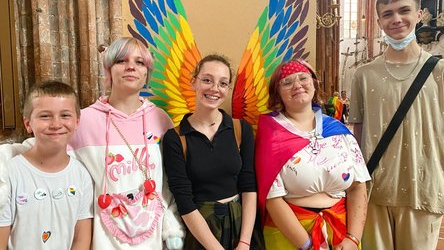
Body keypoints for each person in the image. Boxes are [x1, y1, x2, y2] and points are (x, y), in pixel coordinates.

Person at [0, 37, 185, 249]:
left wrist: (171, 225)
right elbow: (43, 149)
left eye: (139, 62)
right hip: (104, 239)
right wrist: (4, 158)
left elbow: (168, 182)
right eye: (121, 60)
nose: (131, 67)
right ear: (109, 69)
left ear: (147, 72)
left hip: (151, 239)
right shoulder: (84, 120)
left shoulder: (161, 119)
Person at [349, 0, 444, 249]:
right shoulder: (363, 74)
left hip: (422, 189)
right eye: (387, 14)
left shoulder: (443, 72)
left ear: (418, 14)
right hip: (374, 191)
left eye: (404, 11)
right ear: (379, 21)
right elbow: (358, 132)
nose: (396, 19)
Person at [255, 59, 371, 249]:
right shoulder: (271, 134)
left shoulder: (338, 130)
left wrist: (352, 238)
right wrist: (308, 245)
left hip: (341, 233)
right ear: (277, 93)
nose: (297, 85)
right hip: (291, 236)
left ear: (314, 85)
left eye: (303, 78)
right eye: (287, 82)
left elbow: (358, 186)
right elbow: (272, 198)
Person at [162, 54, 264, 249]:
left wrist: (244, 242)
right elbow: (184, 199)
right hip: (202, 231)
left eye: (223, 83)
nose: (214, 88)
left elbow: (249, 185)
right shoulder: (175, 138)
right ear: (194, 82)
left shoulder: (240, 130)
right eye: (207, 80)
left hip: (242, 226)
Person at [0, 81, 94, 249]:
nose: (56, 124)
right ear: (28, 124)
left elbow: (81, 240)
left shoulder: (82, 175)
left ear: (77, 122)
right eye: (45, 116)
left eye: (65, 115)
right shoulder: (9, 174)